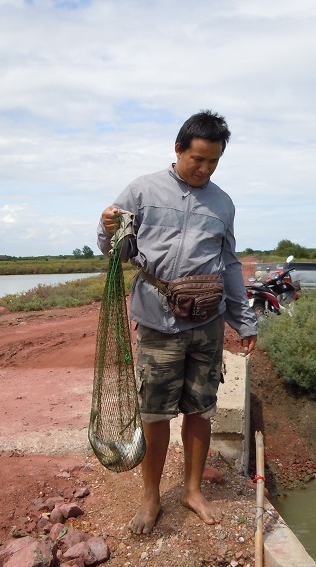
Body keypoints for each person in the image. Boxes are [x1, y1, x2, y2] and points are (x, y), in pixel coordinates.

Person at [97, 109, 257, 534]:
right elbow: (114, 248)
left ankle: (192, 490)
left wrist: (245, 321)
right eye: (197, 159)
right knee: (154, 414)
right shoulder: (142, 190)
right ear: (178, 149)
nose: (204, 169)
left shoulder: (223, 203)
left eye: (214, 162)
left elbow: (229, 264)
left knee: (201, 409)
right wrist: (106, 225)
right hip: (157, 321)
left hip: (206, 322)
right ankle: (151, 499)